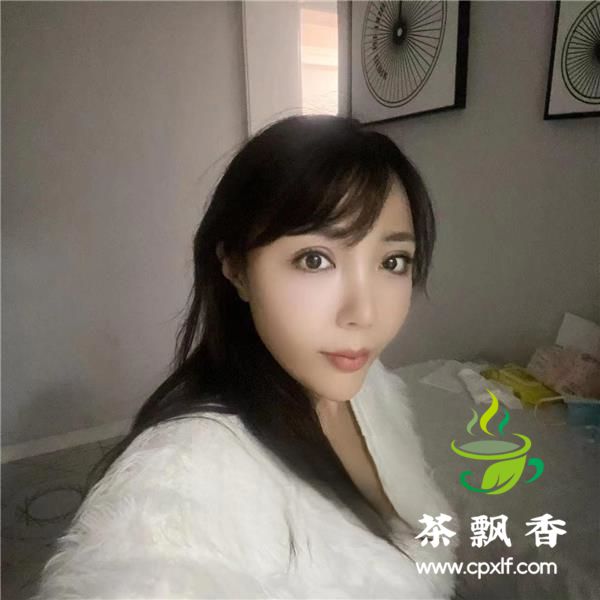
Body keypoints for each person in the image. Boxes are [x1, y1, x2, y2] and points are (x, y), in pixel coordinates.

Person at [34, 114, 460, 599]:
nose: (364, 313)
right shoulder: (183, 473)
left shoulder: (371, 386)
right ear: (237, 269)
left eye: (392, 262)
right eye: (315, 259)